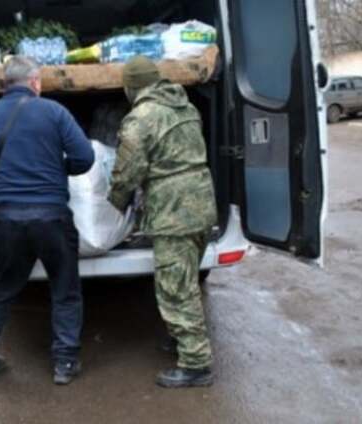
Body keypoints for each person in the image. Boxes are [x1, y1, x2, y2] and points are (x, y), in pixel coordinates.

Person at [0, 56, 95, 386]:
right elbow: (85, 158)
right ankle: (64, 364)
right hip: (51, 217)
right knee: (65, 289)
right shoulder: (54, 112)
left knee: (1, 290)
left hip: (6, 220)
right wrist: (57, 170)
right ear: (35, 82)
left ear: (4, 84)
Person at [108, 56, 218, 388]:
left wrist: (114, 204)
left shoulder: (141, 118)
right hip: (201, 202)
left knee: (175, 288)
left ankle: (196, 364)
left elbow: (128, 172)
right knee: (187, 279)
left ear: (131, 87)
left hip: (173, 212)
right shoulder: (186, 107)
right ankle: (180, 337)